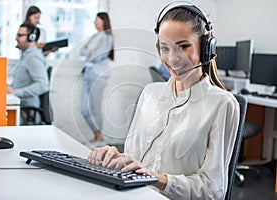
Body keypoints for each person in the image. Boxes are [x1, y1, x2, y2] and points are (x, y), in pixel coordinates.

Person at [87, 2, 239, 200]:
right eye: (164, 48)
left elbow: (213, 190)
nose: (172, 58)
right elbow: (134, 160)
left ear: (206, 48)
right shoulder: (151, 93)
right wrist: (116, 159)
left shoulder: (222, 104)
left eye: (183, 47)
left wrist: (157, 179)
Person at [80, 12, 114, 148]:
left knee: (95, 108)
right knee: (83, 108)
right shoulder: (93, 37)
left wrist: (90, 52)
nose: (95, 22)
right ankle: (96, 134)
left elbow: (100, 55)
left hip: (99, 75)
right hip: (87, 73)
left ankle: (99, 137)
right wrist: (90, 52)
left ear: (103, 21)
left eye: (97, 20)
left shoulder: (107, 38)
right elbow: (81, 52)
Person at [7, 23, 49, 123]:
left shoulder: (32, 58)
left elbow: (43, 85)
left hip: (27, 113)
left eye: (20, 35)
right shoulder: (25, 56)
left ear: (32, 38)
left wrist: (16, 92)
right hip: (21, 108)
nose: (16, 38)